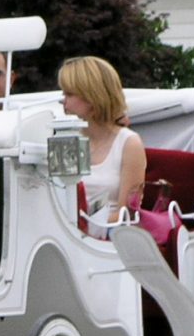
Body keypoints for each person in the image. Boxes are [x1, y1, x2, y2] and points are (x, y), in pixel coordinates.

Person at [59, 55, 145, 238]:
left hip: (109, 240)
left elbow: (128, 212)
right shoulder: (64, 139)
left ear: (92, 97)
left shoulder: (129, 143)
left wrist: (85, 228)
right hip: (67, 236)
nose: (63, 101)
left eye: (69, 94)